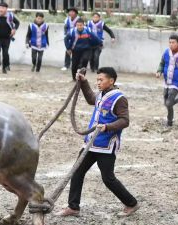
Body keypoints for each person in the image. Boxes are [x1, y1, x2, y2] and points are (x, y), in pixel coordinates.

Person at [58, 67, 139, 217]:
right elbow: (91, 99)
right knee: (77, 172)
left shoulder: (119, 98)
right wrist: (83, 82)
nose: (98, 83)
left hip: (106, 146)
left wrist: (107, 127)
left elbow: (125, 120)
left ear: (111, 81)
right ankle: (73, 207)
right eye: (97, 80)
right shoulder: (102, 94)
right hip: (91, 143)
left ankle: (131, 203)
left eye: (101, 80)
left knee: (108, 178)